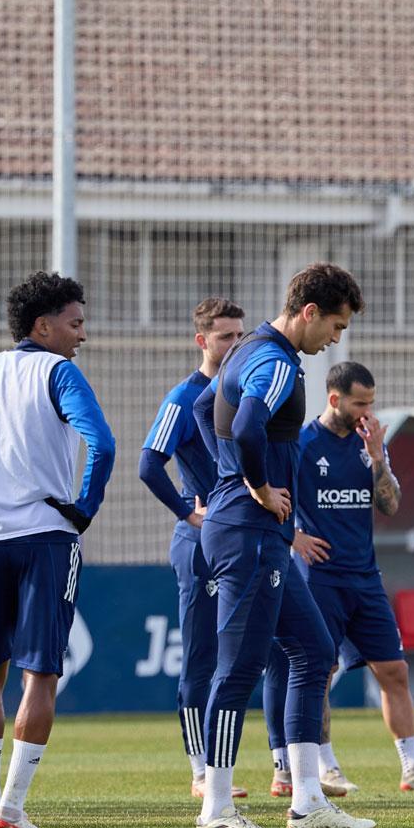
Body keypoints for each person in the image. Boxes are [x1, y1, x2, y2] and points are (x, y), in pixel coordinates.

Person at [193, 262, 372, 828]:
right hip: (247, 529)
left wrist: (228, 478)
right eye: (336, 327)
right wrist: (254, 486)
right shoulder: (273, 361)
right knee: (239, 668)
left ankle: (308, 803)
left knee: (314, 651)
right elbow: (246, 428)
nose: (336, 341)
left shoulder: (245, 350)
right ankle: (216, 812)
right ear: (309, 312)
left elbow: (205, 409)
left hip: (256, 529)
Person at [0, 272, 115, 828]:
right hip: (46, 537)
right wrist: (83, 508)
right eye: (75, 323)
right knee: (39, 674)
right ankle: (12, 813)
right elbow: (103, 442)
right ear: (43, 326)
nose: (82, 336)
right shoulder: (58, 371)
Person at [263, 361, 414, 798]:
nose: (367, 411)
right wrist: (293, 537)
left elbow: (390, 505)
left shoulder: (369, 443)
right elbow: (267, 498)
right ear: (335, 399)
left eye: (371, 403)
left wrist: (377, 457)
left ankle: (413, 766)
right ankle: (325, 765)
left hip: (365, 576)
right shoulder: (301, 443)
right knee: (321, 669)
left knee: (394, 670)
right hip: (319, 578)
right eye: (360, 403)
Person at [139, 297, 246, 798]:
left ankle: (282, 765)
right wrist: (189, 513)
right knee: (202, 656)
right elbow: (148, 464)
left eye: (239, 335)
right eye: (225, 336)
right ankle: (201, 771)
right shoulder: (183, 398)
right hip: (201, 541)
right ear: (202, 341)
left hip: (244, 538)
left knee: (258, 651)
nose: (234, 345)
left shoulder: (246, 391)